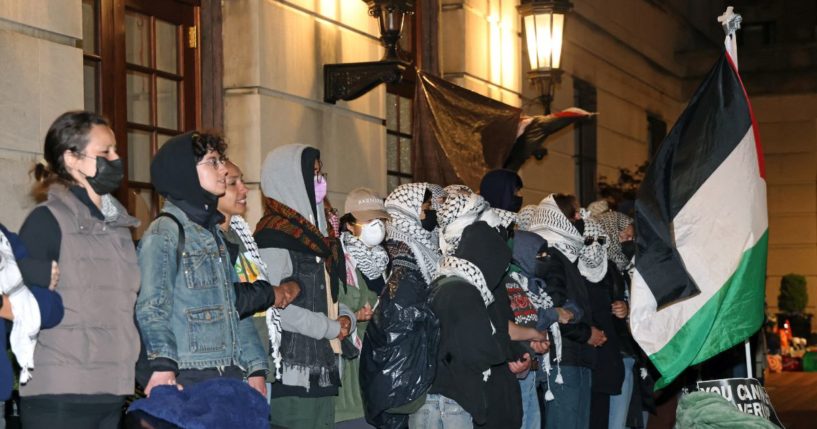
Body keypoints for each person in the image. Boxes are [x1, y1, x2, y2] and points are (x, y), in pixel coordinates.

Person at [17, 111, 141, 428]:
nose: (116, 159)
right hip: (60, 391)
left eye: (115, 150)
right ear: (71, 158)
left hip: (111, 388)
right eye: (105, 152)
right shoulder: (48, 220)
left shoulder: (118, 226)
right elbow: (18, 297)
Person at [136, 131, 269, 399]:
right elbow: (152, 307)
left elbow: (233, 307)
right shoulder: (166, 231)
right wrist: (163, 367)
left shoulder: (213, 233)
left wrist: (255, 368)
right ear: (185, 172)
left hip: (227, 372)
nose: (222, 169)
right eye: (213, 162)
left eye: (220, 161)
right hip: (190, 374)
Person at [254, 144, 355, 429]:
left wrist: (345, 318)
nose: (321, 182)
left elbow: (328, 294)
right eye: (313, 174)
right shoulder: (273, 237)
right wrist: (330, 327)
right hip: (293, 374)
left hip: (323, 370)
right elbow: (274, 308)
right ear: (289, 180)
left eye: (321, 173)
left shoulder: (317, 237)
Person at [415, 221, 519, 429]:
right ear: (489, 259)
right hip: (452, 404)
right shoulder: (466, 292)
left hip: (430, 399)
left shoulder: (441, 283)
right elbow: (477, 350)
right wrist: (501, 350)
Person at [215, 160, 302, 399]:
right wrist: (270, 293)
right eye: (233, 183)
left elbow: (262, 285)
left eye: (242, 180)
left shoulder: (240, 234)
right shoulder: (209, 239)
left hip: (259, 356)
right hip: (233, 364)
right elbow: (231, 299)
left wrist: (287, 288)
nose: (244, 189)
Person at [360, 183, 440, 429]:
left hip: (407, 371)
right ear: (409, 213)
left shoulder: (416, 251)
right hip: (399, 378)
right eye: (425, 209)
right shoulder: (400, 255)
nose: (429, 215)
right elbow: (401, 322)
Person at [530, 194, 600, 429]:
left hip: (575, 357)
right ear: (560, 220)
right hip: (564, 360)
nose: (580, 218)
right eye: (574, 214)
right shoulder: (550, 257)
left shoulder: (565, 256)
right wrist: (586, 333)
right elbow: (554, 308)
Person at [334, 188, 390, 428]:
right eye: (368, 220)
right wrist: (355, 316)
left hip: (376, 368)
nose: (376, 226)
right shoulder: (338, 260)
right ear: (349, 224)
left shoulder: (381, 260)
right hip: (350, 376)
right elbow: (333, 308)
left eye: (380, 219)